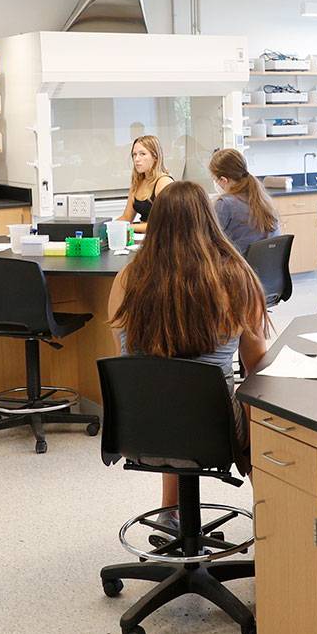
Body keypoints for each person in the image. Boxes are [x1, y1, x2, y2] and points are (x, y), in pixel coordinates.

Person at [108, 180, 270, 533]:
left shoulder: (127, 278)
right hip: (213, 432)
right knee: (264, 408)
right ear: (208, 221)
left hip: (137, 429)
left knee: (166, 388)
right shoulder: (236, 277)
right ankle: (271, 517)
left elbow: (125, 357)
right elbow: (258, 365)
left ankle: (170, 511)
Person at [209, 148, 280, 256]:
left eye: (215, 179)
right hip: (265, 270)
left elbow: (209, 243)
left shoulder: (225, 204)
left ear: (223, 180)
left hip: (238, 270)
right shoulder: (262, 199)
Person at [117, 134, 173, 230]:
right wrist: (105, 227)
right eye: (134, 155)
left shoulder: (164, 182)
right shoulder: (137, 183)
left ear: (155, 157)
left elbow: (163, 224)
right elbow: (126, 217)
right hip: (141, 237)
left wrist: (127, 227)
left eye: (142, 154)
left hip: (159, 239)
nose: (137, 159)